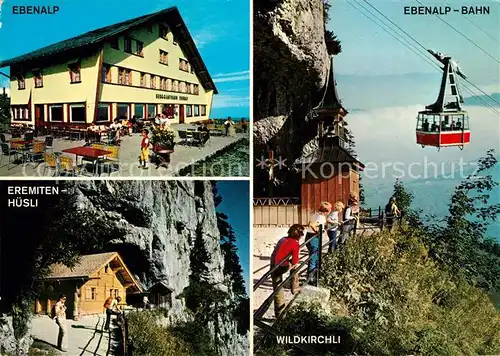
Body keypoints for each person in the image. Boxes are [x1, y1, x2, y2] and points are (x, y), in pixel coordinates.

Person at [270, 224, 304, 318]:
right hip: (282, 266)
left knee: (277, 287)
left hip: (273, 264)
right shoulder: (295, 243)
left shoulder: (282, 239)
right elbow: (294, 261)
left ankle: (279, 313)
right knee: (296, 266)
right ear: (299, 235)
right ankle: (294, 287)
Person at [305, 202, 331, 285]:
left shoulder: (315, 214)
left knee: (313, 257)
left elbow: (309, 222)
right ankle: (311, 279)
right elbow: (312, 225)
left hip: (308, 236)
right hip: (314, 237)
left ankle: (311, 276)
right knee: (314, 258)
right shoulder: (322, 217)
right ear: (327, 211)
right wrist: (317, 231)